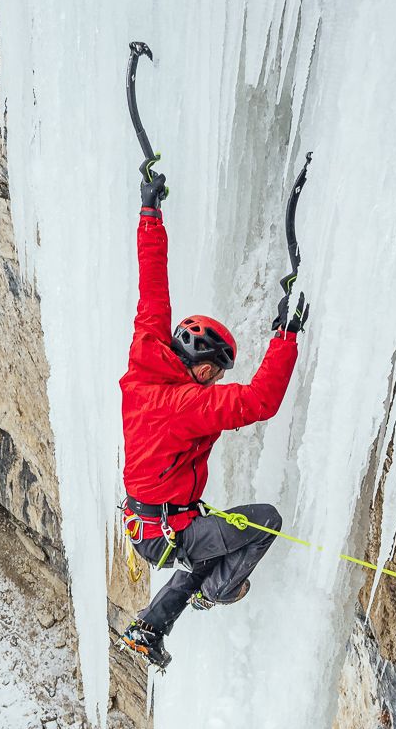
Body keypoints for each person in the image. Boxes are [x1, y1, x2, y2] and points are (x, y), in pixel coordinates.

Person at [118, 155, 308, 670]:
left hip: (152, 526)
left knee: (208, 537)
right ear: (202, 369)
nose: (220, 381)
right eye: (217, 372)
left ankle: (149, 626)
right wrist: (285, 339)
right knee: (265, 522)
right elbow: (259, 402)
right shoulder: (186, 405)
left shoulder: (146, 357)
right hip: (167, 531)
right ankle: (212, 592)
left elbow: (151, 287)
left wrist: (149, 213)